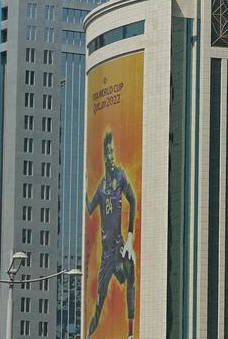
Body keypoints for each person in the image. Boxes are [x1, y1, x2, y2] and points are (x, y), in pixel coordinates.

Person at [85, 132, 137, 338]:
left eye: (112, 150)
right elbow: (90, 209)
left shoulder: (121, 176)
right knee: (98, 306)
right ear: (104, 156)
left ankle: (131, 334)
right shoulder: (101, 187)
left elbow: (132, 200)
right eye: (108, 152)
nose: (111, 155)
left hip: (119, 245)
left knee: (131, 272)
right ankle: (87, 335)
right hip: (106, 257)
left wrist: (131, 238)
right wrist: (84, 189)